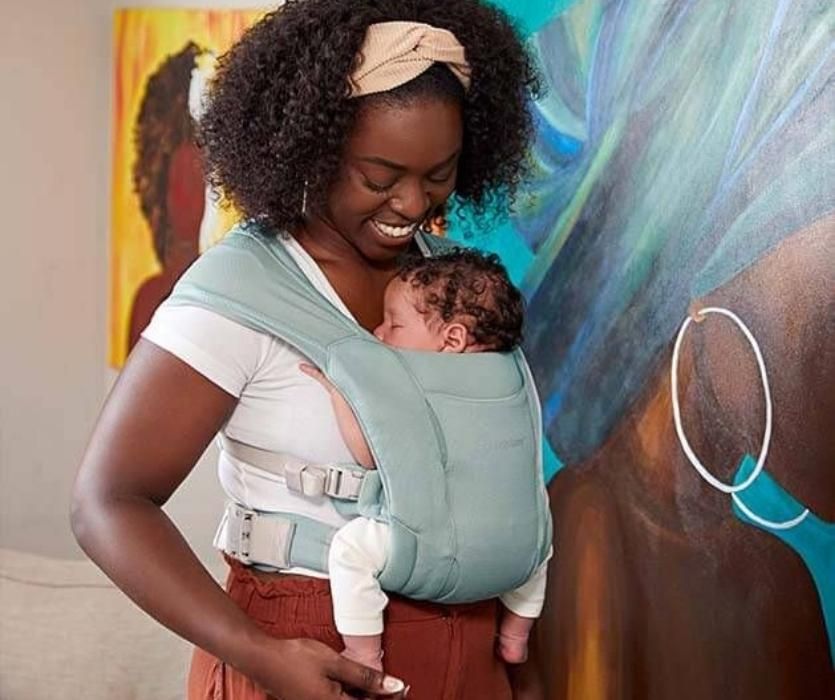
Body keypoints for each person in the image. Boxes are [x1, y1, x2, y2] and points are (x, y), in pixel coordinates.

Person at [71, 1, 540, 698]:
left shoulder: (454, 289)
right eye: (379, 177)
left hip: (473, 645)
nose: (411, 203)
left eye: (437, 174)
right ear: (311, 147)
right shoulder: (239, 288)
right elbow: (105, 503)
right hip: (301, 651)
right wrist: (257, 654)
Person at [299, 249, 551, 672]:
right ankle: (515, 635)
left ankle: (363, 653)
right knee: (542, 544)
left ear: (451, 340)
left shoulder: (412, 388)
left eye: (394, 323)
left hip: (437, 546)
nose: (378, 333)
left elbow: (369, 454)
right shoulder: (512, 377)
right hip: (515, 552)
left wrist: (341, 393)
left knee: (350, 550)